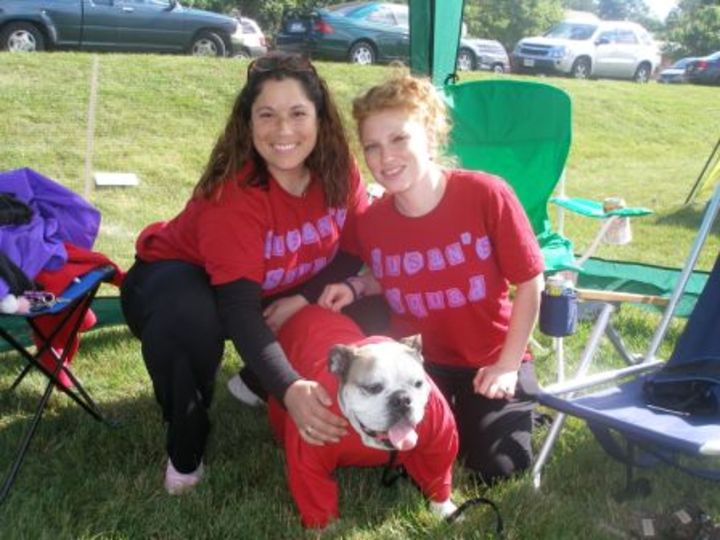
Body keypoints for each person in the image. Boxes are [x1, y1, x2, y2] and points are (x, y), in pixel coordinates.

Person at [120, 52, 383, 495]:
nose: (283, 131)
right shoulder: (236, 194)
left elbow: (353, 249)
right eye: (267, 115)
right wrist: (291, 387)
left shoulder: (338, 170)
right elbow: (239, 308)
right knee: (192, 315)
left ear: (321, 118)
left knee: (373, 300)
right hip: (175, 279)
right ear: (248, 123)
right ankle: (187, 441)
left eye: (298, 113)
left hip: (270, 283)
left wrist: (305, 298)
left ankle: (254, 382)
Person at [319, 73, 545, 484]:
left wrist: (508, 365)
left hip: (489, 359)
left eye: (399, 139)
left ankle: (515, 402)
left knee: (498, 469)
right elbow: (395, 272)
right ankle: (464, 414)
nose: (385, 157)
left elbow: (531, 283)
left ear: (430, 135)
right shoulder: (371, 222)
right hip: (415, 367)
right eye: (372, 146)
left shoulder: (486, 195)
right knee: (403, 457)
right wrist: (356, 286)